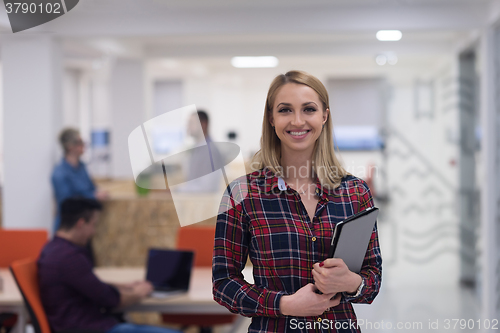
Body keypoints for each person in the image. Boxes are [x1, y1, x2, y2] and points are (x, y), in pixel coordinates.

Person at [212, 70, 382, 332]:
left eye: (309, 109)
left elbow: (372, 279)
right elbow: (223, 283)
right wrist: (284, 304)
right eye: (285, 110)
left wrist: (349, 281)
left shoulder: (355, 192)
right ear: (271, 117)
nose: (298, 120)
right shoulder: (242, 194)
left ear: (324, 115)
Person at [38, 197, 179, 333]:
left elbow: (89, 285)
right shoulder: (70, 258)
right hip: (93, 328)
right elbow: (111, 300)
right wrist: (140, 292)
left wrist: (123, 286)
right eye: (93, 225)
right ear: (80, 223)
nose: (93, 231)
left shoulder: (52, 248)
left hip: (83, 325)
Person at [51, 128, 108, 232]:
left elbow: (91, 187)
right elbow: (67, 202)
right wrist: (93, 196)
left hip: (84, 225)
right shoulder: (59, 173)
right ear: (70, 147)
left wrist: (98, 192)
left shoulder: (82, 167)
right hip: (68, 228)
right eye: (80, 142)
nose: (84, 146)